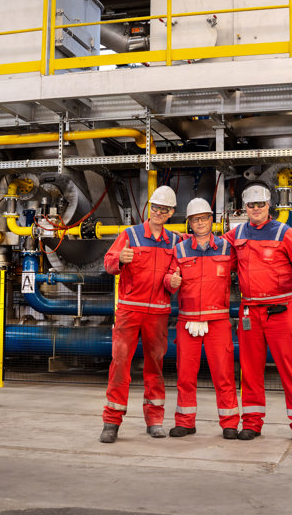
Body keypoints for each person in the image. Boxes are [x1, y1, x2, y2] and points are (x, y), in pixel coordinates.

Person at [223, 184, 292, 444]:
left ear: (269, 206)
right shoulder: (236, 234)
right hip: (249, 314)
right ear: (245, 208)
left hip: (281, 312)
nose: (256, 209)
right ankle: (252, 423)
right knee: (250, 371)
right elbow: (215, 252)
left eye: (261, 205)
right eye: (251, 205)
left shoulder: (284, 233)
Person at [99, 185, 180, 443]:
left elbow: (173, 274)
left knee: (154, 365)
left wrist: (172, 282)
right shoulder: (130, 235)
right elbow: (109, 263)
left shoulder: (175, 241)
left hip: (157, 313)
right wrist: (120, 259)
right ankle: (111, 421)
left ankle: (155, 419)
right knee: (120, 363)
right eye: (155, 207)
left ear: (171, 213)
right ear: (149, 209)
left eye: (164, 209)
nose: (158, 212)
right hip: (129, 310)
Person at [164, 198, 239, 440]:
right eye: (195, 220)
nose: (200, 223)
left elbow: (246, 268)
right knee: (185, 375)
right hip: (187, 322)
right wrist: (170, 282)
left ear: (211, 220)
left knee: (223, 374)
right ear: (189, 224)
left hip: (218, 321)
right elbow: (168, 276)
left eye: (204, 218)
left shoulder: (228, 249)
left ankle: (229, 423)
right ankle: (185, 422)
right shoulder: (180, 250)